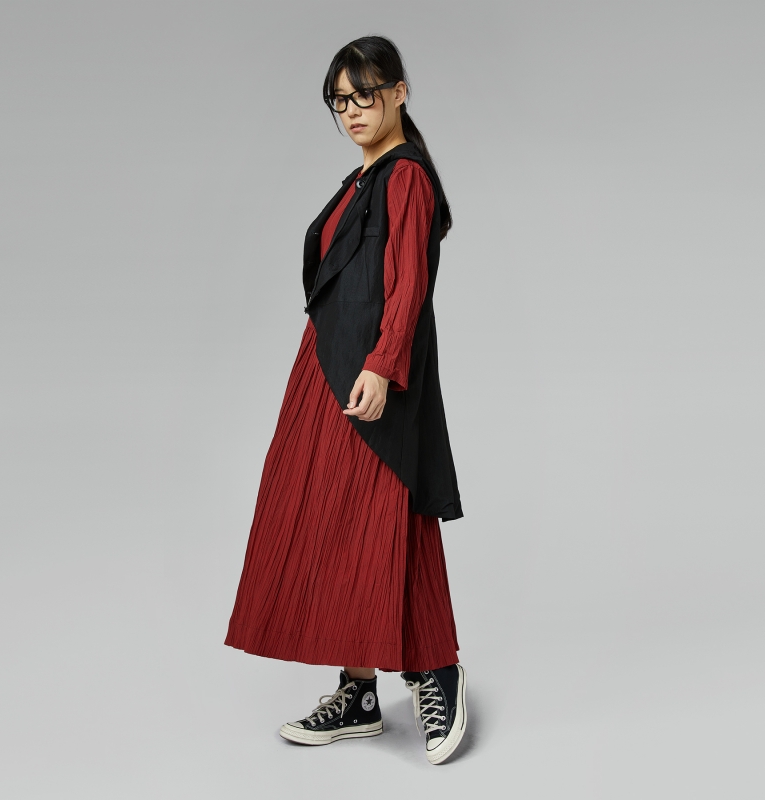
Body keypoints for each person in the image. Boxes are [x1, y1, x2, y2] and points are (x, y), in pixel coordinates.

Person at [224, 35, 467, 765]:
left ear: (399, 92)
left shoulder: (405, 176)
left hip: (370, 373)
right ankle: (359, 692)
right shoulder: (361, 181)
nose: (353, 110)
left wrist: (384, 366)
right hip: (327, 369)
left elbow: (409, 282)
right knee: (330, 521)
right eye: (340, 100)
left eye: (365, 94)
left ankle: (438, 669)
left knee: (390, 513)